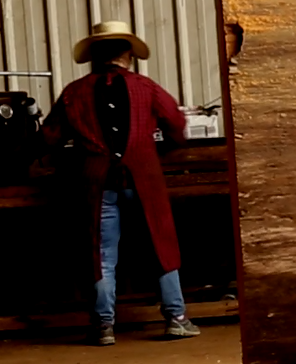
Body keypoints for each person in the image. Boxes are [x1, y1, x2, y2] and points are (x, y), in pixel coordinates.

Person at [40, 21, 200, 346]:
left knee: (101, 253)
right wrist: (166, 146)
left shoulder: (74, 92)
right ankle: (176, 318)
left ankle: (103, 326)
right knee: (160, 243)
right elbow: (176, 123)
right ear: (128, 54)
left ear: (94, 57)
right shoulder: (146, 87)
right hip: (144, 178)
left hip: (96, 182)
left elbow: (49, 137)